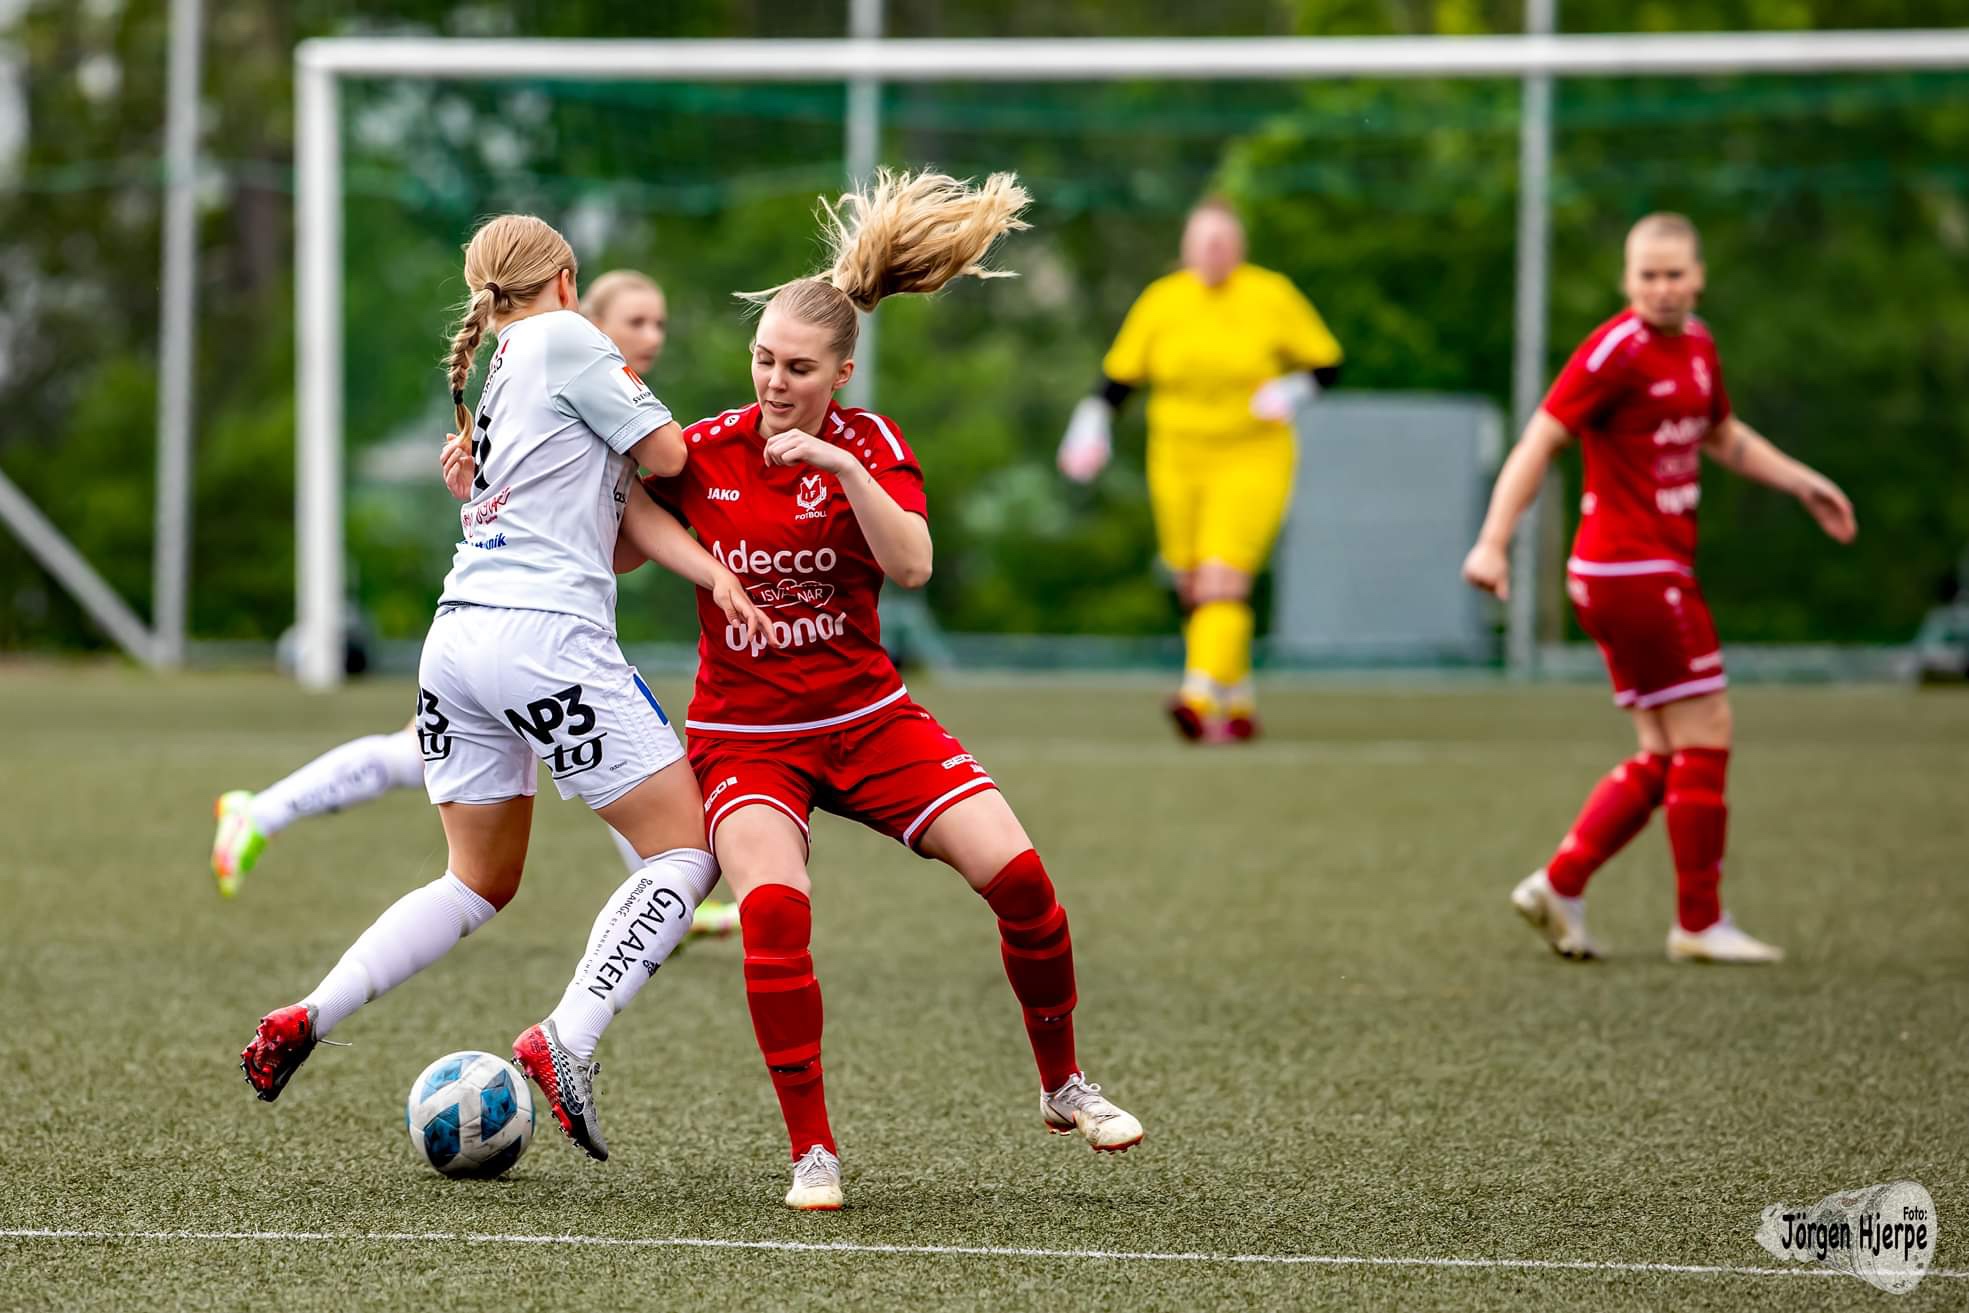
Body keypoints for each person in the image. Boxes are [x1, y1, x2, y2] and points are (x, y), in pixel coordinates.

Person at [618, 170, 1144, 1211]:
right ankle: (812, 1151)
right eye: (763, 359)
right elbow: (628, 529)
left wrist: (840, 466)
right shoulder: (706, 450)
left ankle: (1062, 1084)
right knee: (773, 910)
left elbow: (911, 565)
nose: (774, 381)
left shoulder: (873, 444)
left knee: (1022, 879)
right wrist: (705, 568)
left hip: (868, 718)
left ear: (841, 372)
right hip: (746, 733)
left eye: (797, 367)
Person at [240, 217, 771, 1168]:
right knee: (687, 853)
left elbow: (621, 516)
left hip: (456, 640)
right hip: (545, 639)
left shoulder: (503, 363)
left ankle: (310, 1011)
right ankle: (567, 1036)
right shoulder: (569, 338)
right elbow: (667, 459)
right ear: (566, 278)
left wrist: (708, 571)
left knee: (475, 881)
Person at [207, 269, 738, 935]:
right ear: (585, 313)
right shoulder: (569, 371)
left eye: (660, 322)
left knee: (597, 759)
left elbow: (612, 539)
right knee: (419, 760)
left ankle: (667, 887)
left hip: (515, 627)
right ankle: (260, 811)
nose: (653, 335)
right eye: (636, 321)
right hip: (516, 627)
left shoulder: (580, 392)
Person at [1461, 212, 1856, 964]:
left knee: (1664, 750)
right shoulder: (1615, 351)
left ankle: (1560, 884)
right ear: (1627, 279)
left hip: (1637, 572)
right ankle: (1698, 923)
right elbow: (1540, 438)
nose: (1662, 287)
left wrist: (1804, 484)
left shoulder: (1698, 346)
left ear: (1698, 277)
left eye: (1674, 274)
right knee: (1707, 729)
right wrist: (1492, 540)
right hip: (1632, 570)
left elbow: (1723, 437)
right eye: (1647, 275)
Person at [1057, 198, 1342, 742]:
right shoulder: (1163, 301)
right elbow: (1120, 377)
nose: (1213, 250)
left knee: (1223, 577)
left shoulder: (1270, 295)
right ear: (1186, 247)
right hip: (1178, 458)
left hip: (1252, 454)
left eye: (1223, 240)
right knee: (1193, 585)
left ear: (1239, 247)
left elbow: (1327, 364)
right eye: (1204, 241)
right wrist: (1091, 422)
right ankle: (1238, 704)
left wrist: (1294, 389)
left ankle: (1198, 694)